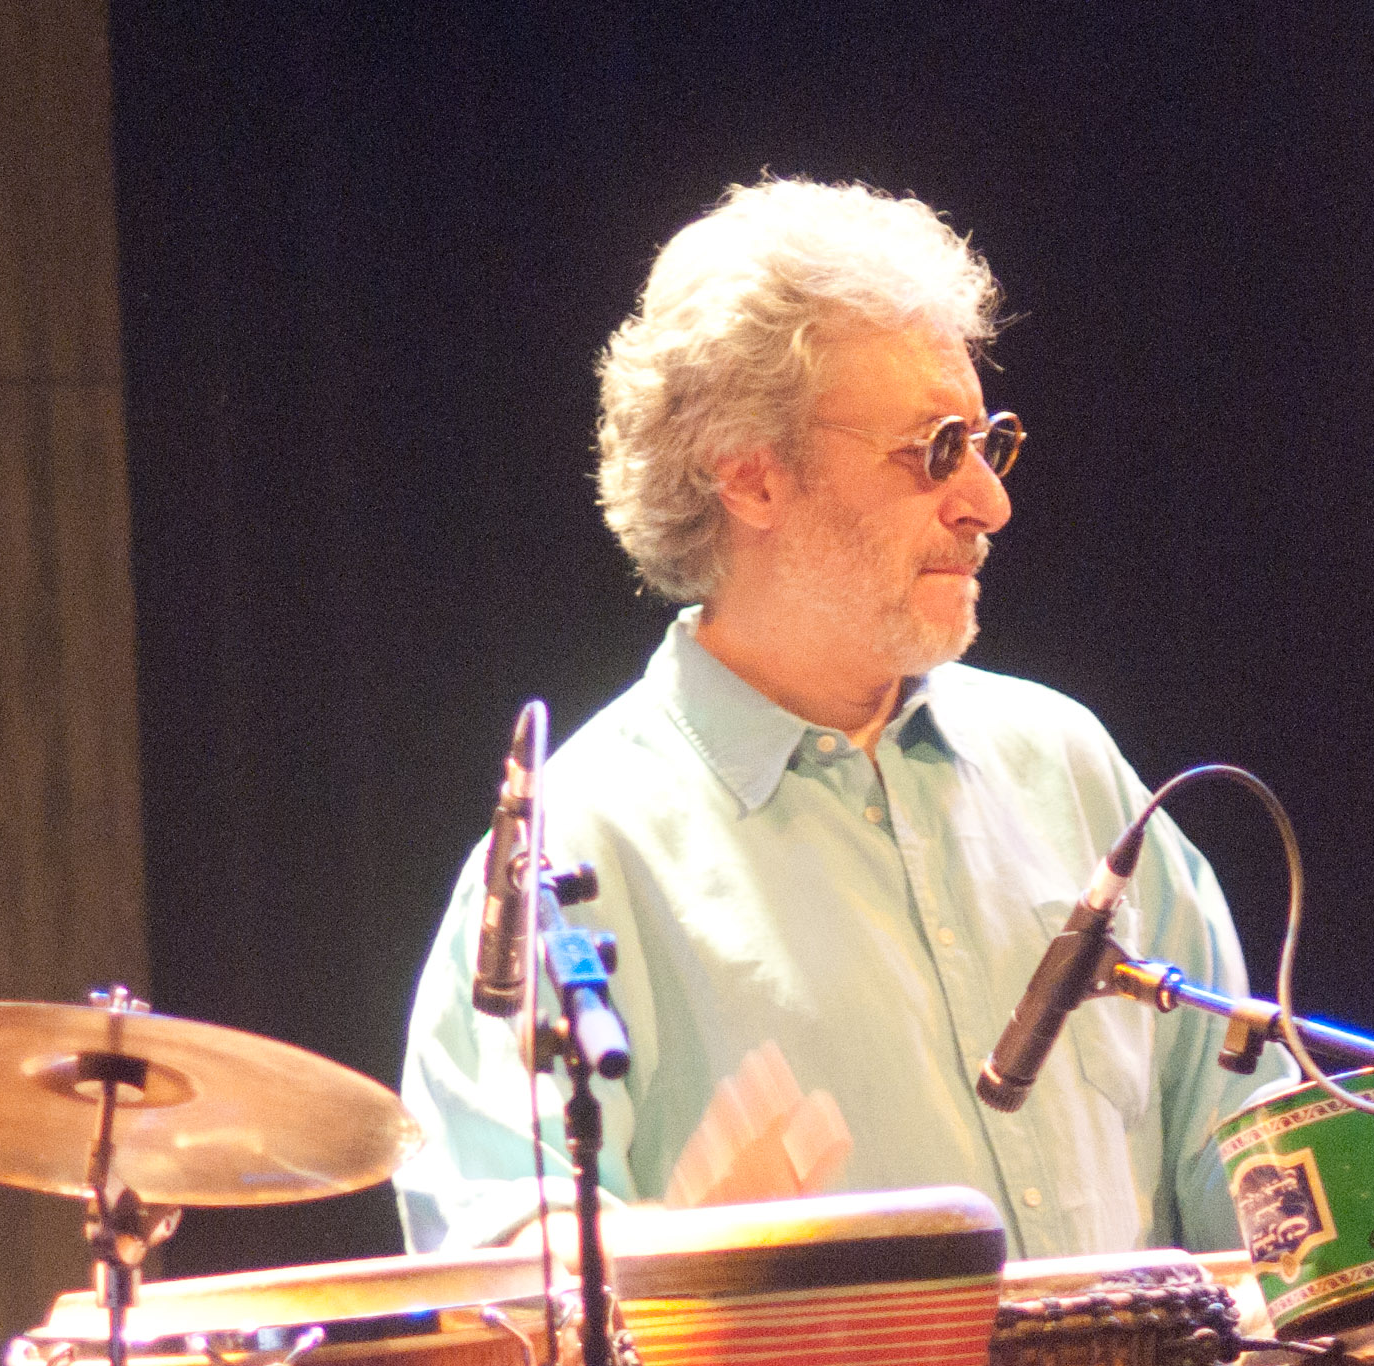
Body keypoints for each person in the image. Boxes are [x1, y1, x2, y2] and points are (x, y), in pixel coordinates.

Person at [398, 175, 1279, 1263]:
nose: (989, 503)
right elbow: (498, 1262)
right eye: (933, 451)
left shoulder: (1069, 765)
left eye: (986, 442)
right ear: (752, 478)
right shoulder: (575, 852)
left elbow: (1254, 1153)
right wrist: (684, 1265)